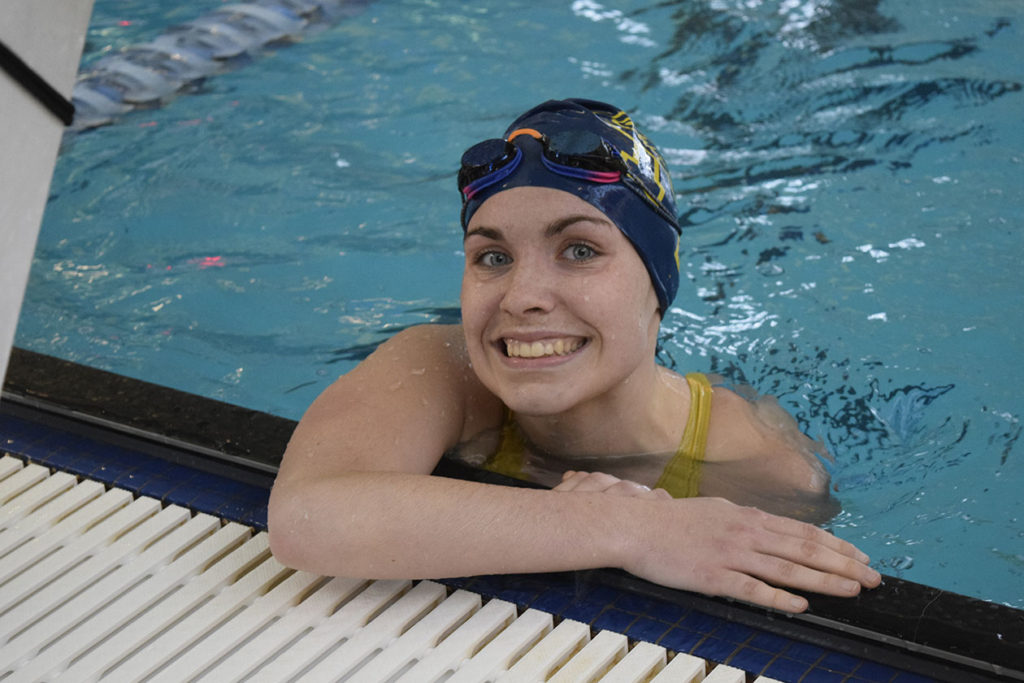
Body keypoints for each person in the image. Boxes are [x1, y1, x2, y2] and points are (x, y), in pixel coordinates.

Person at [268, 98, 881, 614]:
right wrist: (634, 529)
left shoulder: (760, 465)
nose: (522, 298)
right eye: (493, 257)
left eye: (580, 251)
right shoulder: (444, 366)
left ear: (658, 288)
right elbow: (309, 517)